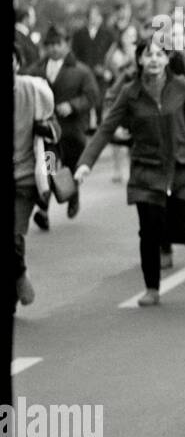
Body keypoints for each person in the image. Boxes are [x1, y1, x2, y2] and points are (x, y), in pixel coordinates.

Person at [74, 32, 185, 306]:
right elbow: (106, 128)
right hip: (146, 169)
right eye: (148, 55)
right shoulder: (129, 93)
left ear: (167, 58)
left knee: (180, 225)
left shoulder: (180, 86)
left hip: (180, 166)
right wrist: (85, 163)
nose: (154, 60)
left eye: (159, 54)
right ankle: (152, 288)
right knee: (149, 230)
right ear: (140, 60)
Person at [26, 26, 99, 227]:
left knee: (73, 168)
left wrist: (73, 105)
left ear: (66, 44)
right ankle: (43, 210)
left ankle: (73, 195)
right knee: (48, 169)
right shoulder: (36, 70)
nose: (54, 49)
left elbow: (92, 96)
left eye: (58, 44)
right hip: (49, 135)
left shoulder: (81, 71)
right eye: (49, 45)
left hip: (72, 132)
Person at [13, 49, 55, 310]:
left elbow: (52, 124)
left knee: (14, 235)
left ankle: (19, 274)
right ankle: (18, 277)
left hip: (25, 175)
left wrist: (48, 176)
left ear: (17, 64)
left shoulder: (33, 89)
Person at [103, 22, 140, 184]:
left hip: (134, 98)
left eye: (133, 36)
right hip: (118, 95)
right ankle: (118, 169)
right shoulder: (115, 54)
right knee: (116, 133)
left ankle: (134, 168)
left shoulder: (141, 52)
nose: (130, 39)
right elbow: (110, 68)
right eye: (127, 36)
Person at [14, 3, 40, 69]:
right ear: (26, 17)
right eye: (33, 16)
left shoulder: (25, 35)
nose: (35, 19)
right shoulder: (18, 36)